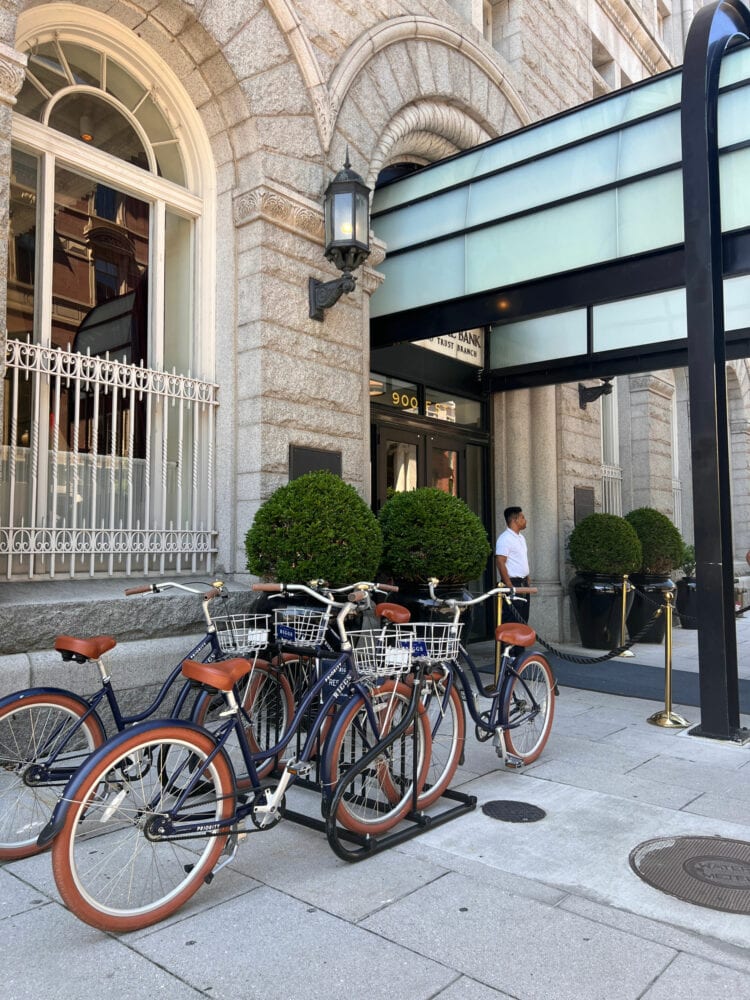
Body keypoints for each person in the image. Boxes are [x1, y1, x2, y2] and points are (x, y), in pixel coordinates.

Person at [495, 506, 531, 627]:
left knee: (523, 620)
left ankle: (519, 647)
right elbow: (500, 562)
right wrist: (509, 585)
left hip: (523, 584)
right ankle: (509, 646)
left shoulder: (521, 538)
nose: (525, 520)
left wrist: (527, 576)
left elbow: (520, 560)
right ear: (515, 520)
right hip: (513, 584)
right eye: (523, 517)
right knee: (512, 621)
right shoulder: (505, 538)